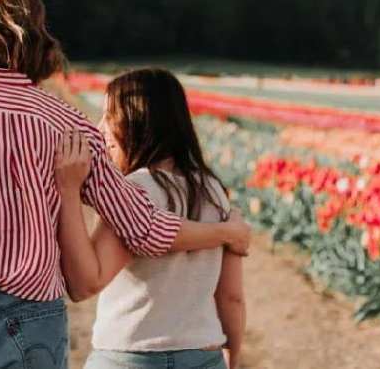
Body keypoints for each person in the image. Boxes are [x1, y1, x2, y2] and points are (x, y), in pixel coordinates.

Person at [0, 0, 251, 369]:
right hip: (31, 316)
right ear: (33, 30)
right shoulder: (66, 124)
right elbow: (142, 228)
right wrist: (224, 232)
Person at [55, 68, 245, 369]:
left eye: (109, 116)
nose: (100, 128)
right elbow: (231, 296)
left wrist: (68, 190)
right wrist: (232, 353)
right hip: (203, 356)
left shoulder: (133, 190)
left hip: (130, 356)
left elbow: (84, 284)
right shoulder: (214, 192)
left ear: (137, 120)